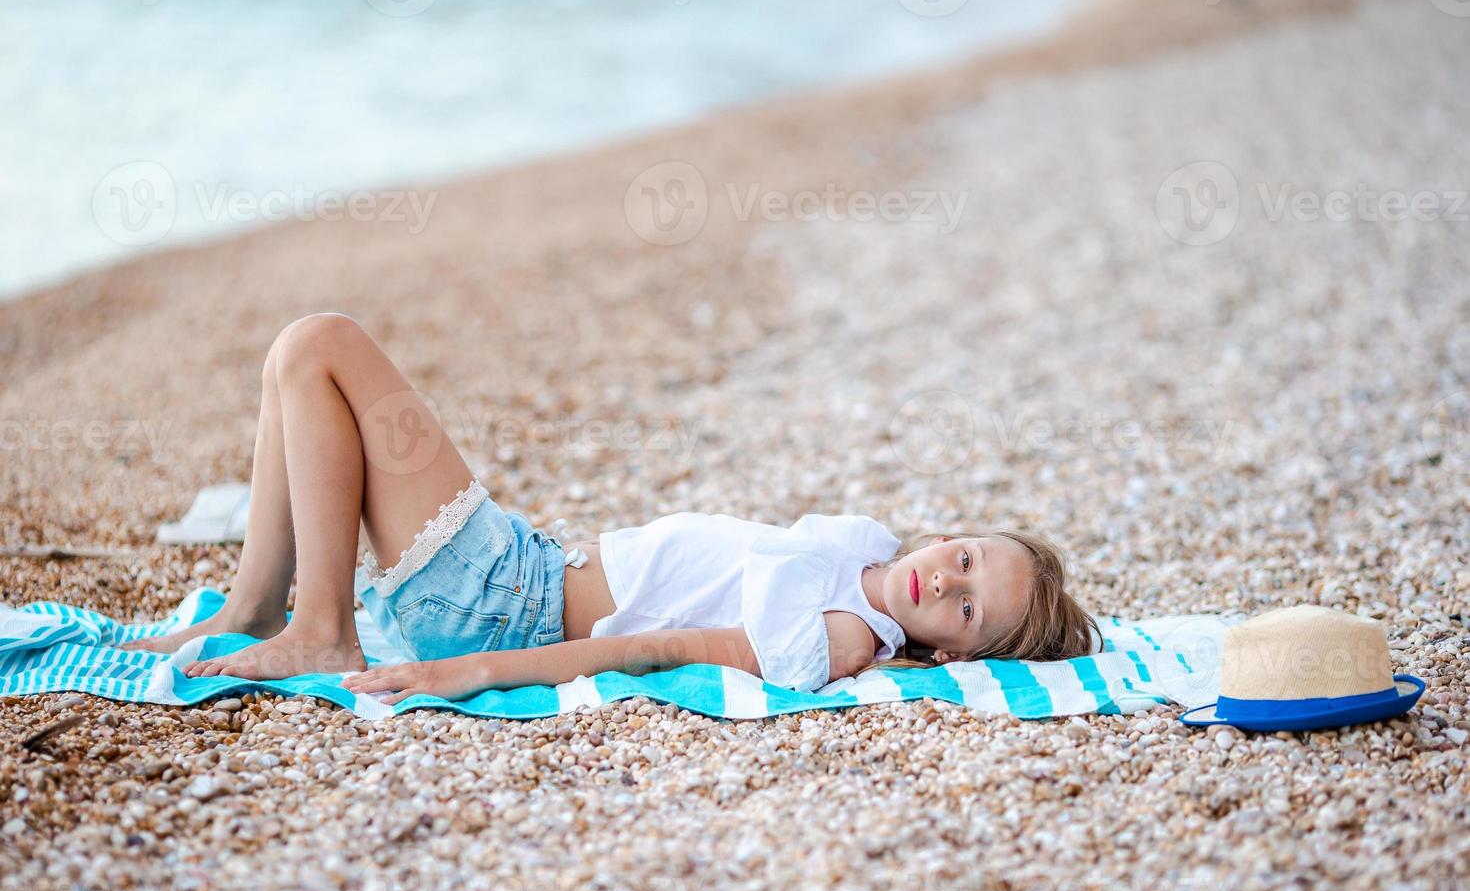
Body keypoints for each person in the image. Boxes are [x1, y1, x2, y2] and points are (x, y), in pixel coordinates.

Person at [122, 314, 1099, 703]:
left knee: (318, 345)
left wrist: (465, 672)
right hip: (521, 562)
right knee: (295, 365)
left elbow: (648, 652)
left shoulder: (836, 639)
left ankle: (323, 629)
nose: (950, 576)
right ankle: (260, 610)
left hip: (498, 600)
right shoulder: (870, 551)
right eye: (967, 554)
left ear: (957, 650)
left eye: (968, 605)